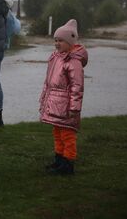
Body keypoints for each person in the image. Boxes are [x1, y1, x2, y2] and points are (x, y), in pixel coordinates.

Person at [39, 19, 88, 175]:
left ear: (70, 41)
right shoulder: (56, 57)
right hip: (55, 104)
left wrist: (74, 107)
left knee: (68, 135)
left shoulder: (73, 62)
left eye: (61, 40)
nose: (57, 43)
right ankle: (59, 160)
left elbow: (77, 87)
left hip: (66, 107)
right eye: (56, 40)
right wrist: (44, 99)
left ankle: (68, 164)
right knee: (57, 133)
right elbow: (48, 82)